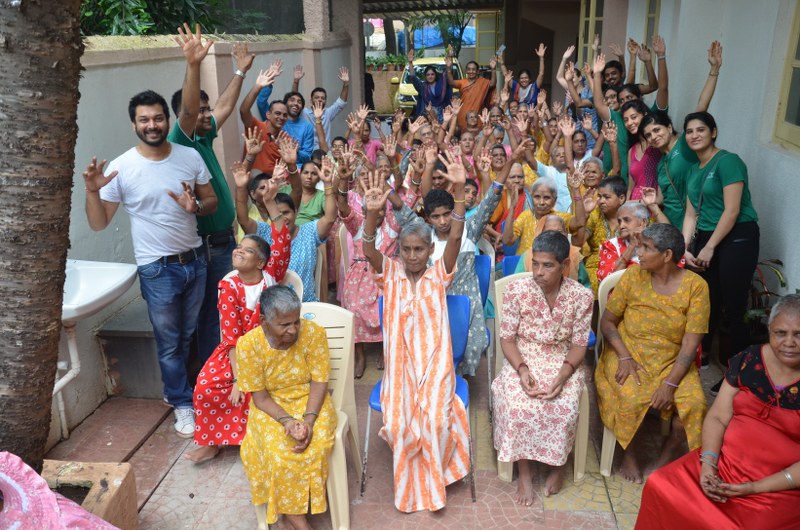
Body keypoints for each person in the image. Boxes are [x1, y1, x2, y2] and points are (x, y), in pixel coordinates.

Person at [83, 88, 218, 437]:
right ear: (134, 125)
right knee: (169, 341)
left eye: (158, 118)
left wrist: (195, 207)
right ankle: (182, 403)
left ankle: (178, 390)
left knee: (187, 335)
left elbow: (212, 201)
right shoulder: (122, 167)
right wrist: (93, 191)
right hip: (157, 269)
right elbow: (99, 223)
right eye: (144, 120)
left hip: (195, 261)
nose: (152, 125)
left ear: (167, 120)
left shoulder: (189, 156)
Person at [635, 294, 800, 530]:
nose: (789, 342)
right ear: (770, 330)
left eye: (798, 334)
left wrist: (755, 488)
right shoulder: (750, 359)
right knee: (660, 485)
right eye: (781, 333)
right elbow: (718, 416)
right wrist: (708, 464)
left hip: (779, 485)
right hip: (724, 464)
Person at [362, 155, 471, 513]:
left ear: (429, 250)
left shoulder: (439, 275)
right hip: (400, 369)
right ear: (399, 251)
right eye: (406, 249)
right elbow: (368, 249)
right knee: (396, 423)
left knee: (437, 421)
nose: (412, 255)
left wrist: (458, 192)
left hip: (436, 365)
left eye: (419, 249)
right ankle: (412, 482)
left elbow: (456, 235)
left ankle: (433, 483)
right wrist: (372, 215)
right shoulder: (390, 275)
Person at [596, 223, 710, 483]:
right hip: (629, 352)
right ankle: (631, 453)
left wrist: (670, 384)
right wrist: (624, 356)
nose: (639, 253)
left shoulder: (696, 287)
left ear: (667, 255)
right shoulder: (633, 276)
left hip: (673, 360)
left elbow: (691, 343)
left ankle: (666, 456)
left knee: (695, 405)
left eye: (646, 248)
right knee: (629, 396)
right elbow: (608, 322)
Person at [169, 25, 254, 363]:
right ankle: (213, 377)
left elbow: (224, 107)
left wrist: (240, 72)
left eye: (206, 109)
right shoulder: (182, 138)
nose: (207, 114)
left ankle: (224, 370)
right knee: (212, 316)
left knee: (227, 310)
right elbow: (191, 111)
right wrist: (192, 64)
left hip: (223, 241)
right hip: (208, 247)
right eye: (200, 110)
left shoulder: (203, 138)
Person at [492, 231, 594, 503]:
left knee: (565, 405)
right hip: (523, 356)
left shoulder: (581, 297)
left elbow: (579, 345)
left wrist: (563, 375)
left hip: (563, 360)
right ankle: (524, 472)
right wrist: (523, 370)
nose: (538, 272)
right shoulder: (516, 291)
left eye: (548, 265)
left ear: (565, 266)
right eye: (535, 263)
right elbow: (507, 339)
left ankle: (558, 466)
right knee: (518, 405)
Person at [186, 226, 290, 463]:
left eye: (248, 250)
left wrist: (272, 208)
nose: (239, 251)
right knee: (206, 385)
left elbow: (282, 244)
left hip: (270, 349)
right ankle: (212, 443)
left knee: (265, 386)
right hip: (235, 352)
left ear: (261, 263)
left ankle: (255, 440)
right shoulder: (228, 285)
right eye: (239, 247)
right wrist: (237, 379)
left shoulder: (270, 278)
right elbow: (231, 338)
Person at [236, 285, 336, 530]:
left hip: (311, 400)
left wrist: (308, 421)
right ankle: (296, 518)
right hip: (271, 406)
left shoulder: (314, 333)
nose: (293, 330)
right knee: (279, 452)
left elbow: (319, 382)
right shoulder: (248, 346)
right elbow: (260, 399)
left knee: (316, 445)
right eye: (284, 325)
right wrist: (288, 421)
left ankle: (293, 512)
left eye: (296, 322)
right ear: (264, 322)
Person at [681, 111, 759, 394]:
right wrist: (684, 248)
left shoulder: (728, 161)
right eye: (690, 131)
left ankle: (736, 375)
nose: (694, 135)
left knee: (734, 307)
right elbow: (691, 214)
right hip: (706, 237)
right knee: (707, 301)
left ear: (713, 132)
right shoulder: (693, 170)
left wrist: (710, 247)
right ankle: (701, 357)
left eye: (701, 129)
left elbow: (732, 210)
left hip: (737, 236)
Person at [235, 136, 338, 302]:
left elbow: (330, 218)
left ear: (296, 212)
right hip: (272, 308)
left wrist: (327, 183)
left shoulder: (308, 232)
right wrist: (241, 188)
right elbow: (243, 219)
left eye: (286, 213)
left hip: (306, 305)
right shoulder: (264, 232)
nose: (283, 218)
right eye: (277, 213)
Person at [641, 40, 724, 230]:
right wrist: (651, 199)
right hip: (672, 224)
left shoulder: (685, 145)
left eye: (657, 130)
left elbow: (701, 107)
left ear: (669, 127)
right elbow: (663, 197)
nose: (653, 136)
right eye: (648, 135)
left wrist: (714, 70)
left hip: (696, 223)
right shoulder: (661, 164)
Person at [239, 61, 288, 175]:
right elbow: (243, 111)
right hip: (251, 180)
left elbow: (286, 166)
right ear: (268, 115)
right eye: (277, 113)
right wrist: (258, 87)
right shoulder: (256, 127)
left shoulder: (285, 138)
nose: (281, 117)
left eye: (285, 115)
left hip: (274, 182)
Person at [582, 176, 627, 296]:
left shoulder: (631, 216)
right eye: (599, 196)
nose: (601, 201)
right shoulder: (595, 214)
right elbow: (578, 242)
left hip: (624, 267)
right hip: (595, 267)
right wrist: (585, 215)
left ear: (621, 198)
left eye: (606, 197)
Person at [287, 64, 349, 149]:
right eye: (316, 97)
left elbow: (341, 102)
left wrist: (346, 84)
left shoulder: (328, 113)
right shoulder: (304, 113)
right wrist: (296, 81)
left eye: (323, 98)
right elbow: (294, 99)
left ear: (325, 101)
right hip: (307, 152)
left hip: (324, 152)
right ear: (311, 100)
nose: (320, 100)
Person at [514, 215, 583, 281]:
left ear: (566, 233)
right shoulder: (529, 255)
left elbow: (585, 285)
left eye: (559, 232)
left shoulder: (575, 254)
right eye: (549, 232)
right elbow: (516, 282)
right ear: (542, 234)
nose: (555, 237)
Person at [446, 51, 497, 131]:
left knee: (478, 135)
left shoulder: (482, 82)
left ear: (477, 71)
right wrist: (448, 68)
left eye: (473, 69)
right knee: (464, 135)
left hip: (477, 115)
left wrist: (493, 69)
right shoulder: (462, 82)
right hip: (463, 115)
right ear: (466, 71)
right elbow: (451, 82)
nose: (471, 71)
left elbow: (493, 83)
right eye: (469, 69)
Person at [406, 49, 452, 121]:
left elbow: (447, 74)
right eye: (428, 75)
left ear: (435, 75)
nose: (430, 76)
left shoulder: (442, 84)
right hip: (427, 117)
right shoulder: (423, 87)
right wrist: (410, 63)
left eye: (432, 74)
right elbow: (413, 78)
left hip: (442, 116)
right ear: (425, 77)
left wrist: (449, 61)